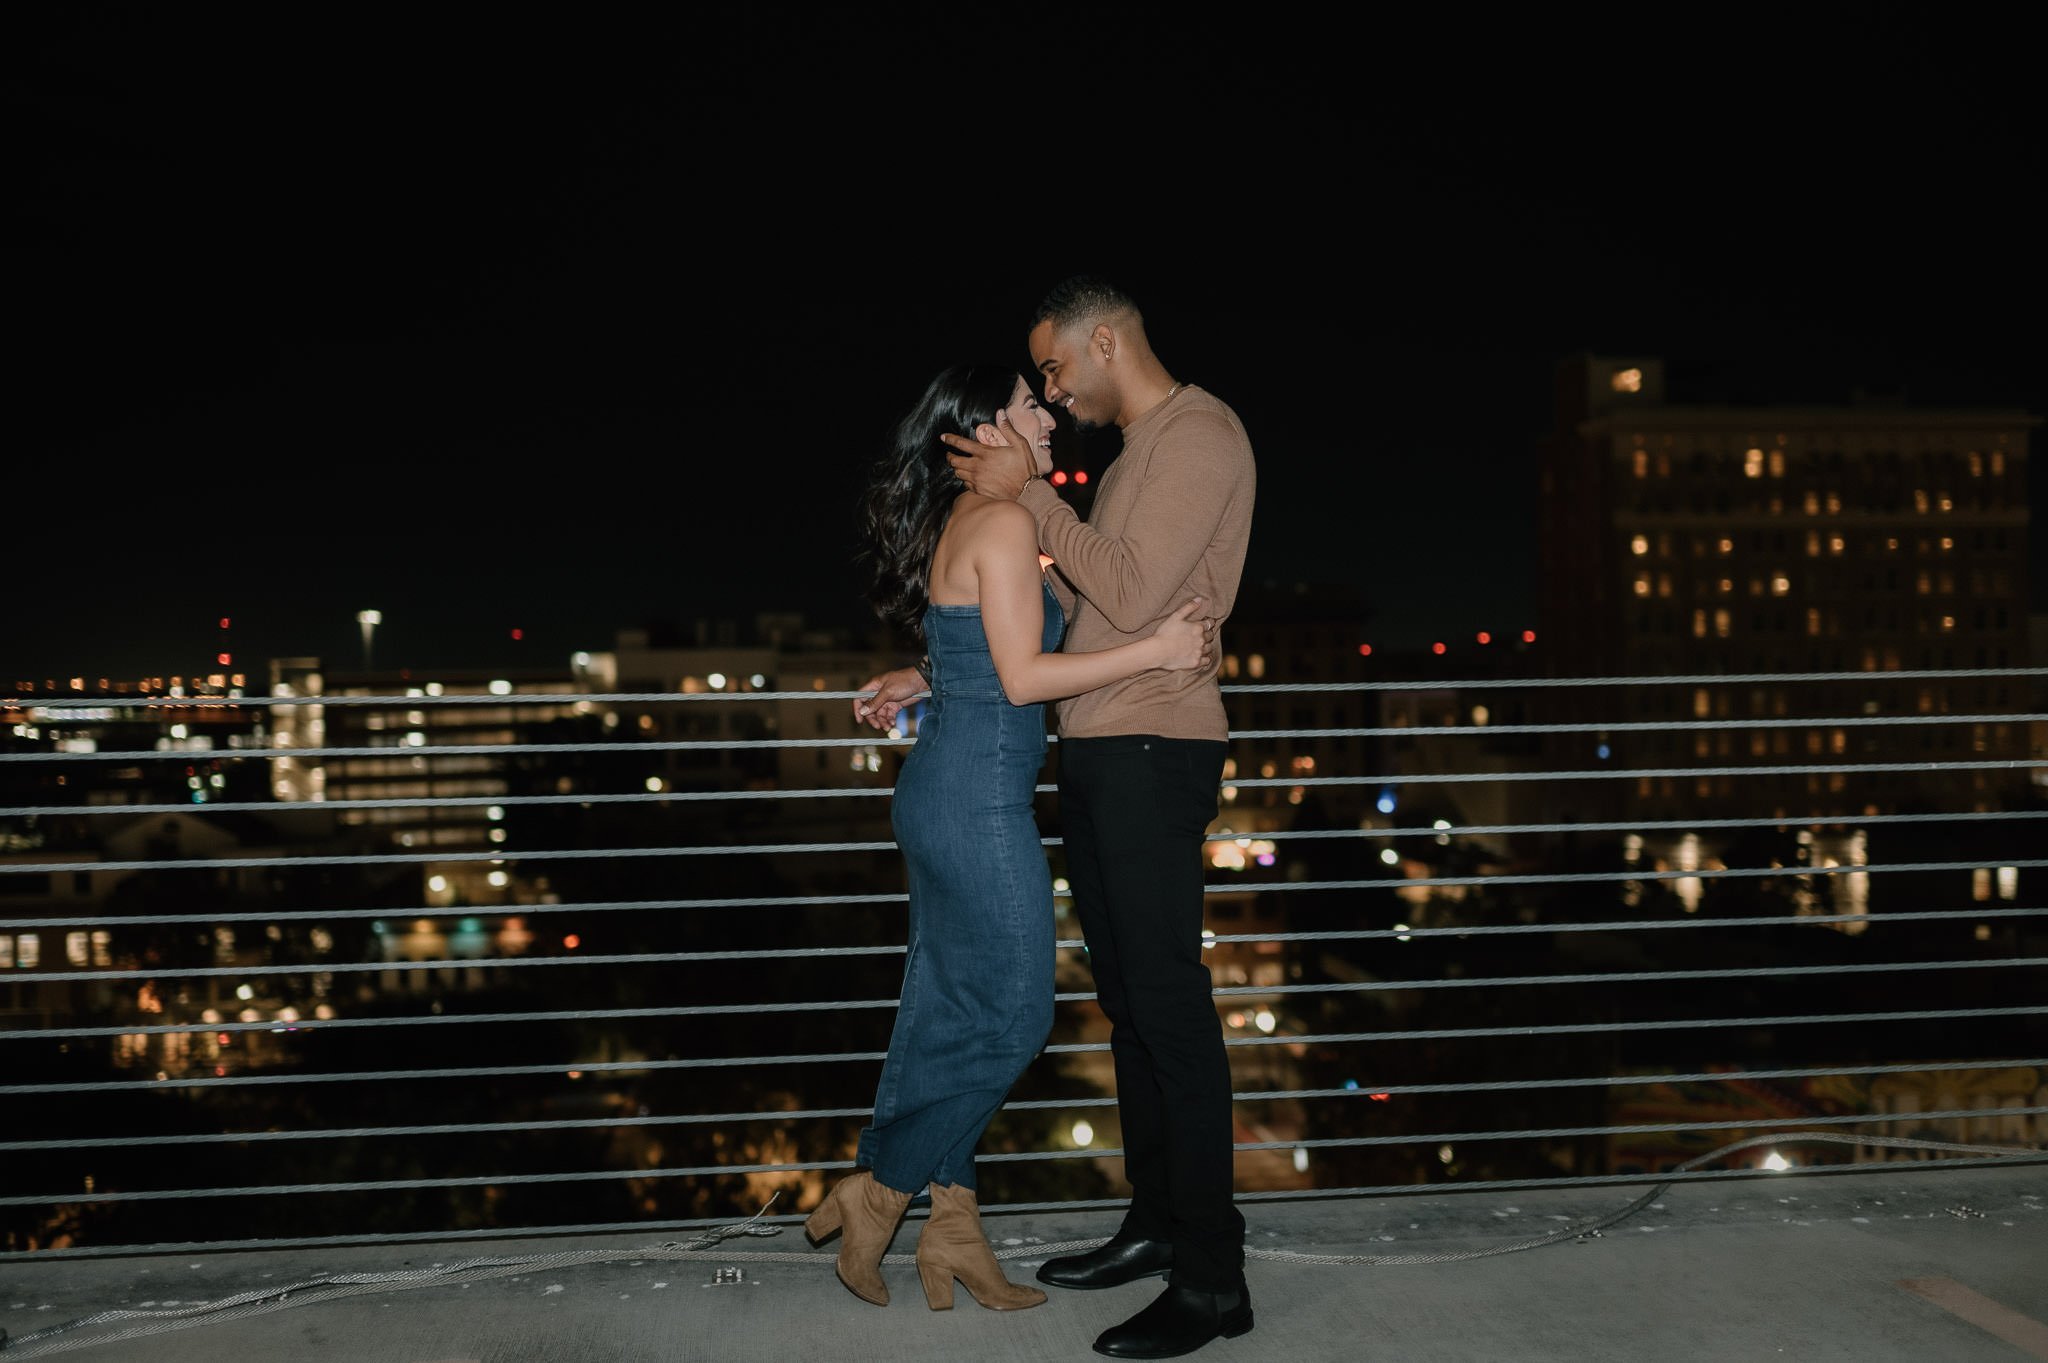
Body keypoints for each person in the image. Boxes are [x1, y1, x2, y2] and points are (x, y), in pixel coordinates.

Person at [855, 277, 1257, 1360]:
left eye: (1054, 367)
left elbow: (1127, 592)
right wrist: (939, 670)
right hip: (1099, 746)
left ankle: (1211, 1276)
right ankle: (1157, 1224)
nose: (1053, 390)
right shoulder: (1130, 460)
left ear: (1104, 340)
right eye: (1038, 381)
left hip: (1154, 744)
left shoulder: (1198, 436)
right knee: (1129, 1008)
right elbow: (1068, 616)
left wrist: (1030, 497)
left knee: (1168, 1008)